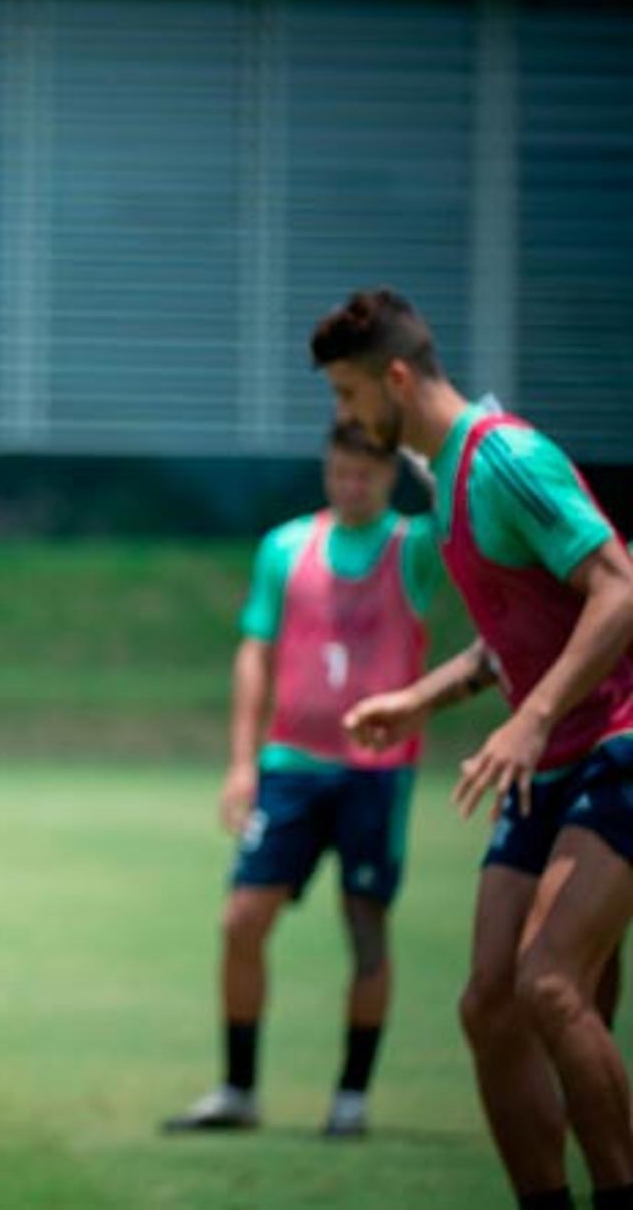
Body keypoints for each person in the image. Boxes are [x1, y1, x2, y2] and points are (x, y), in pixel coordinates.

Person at [318, 288, 633, 1210]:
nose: (345, 418)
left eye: (348, 394)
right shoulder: (446, 477)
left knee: (550, 986)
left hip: (616, 742)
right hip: (554, 756)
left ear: (398, 378)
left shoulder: (505, 459)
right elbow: (526, 632)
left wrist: (529, 721)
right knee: (488, 1006)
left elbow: (617, 590)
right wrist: (422, 699)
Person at [164, 422, 445, 1138]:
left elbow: (466, 525)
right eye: (340, 472)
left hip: (376, 775)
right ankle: (237, 1090)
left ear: (389, 477)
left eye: (367, 475)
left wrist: (424, 456)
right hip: (290, 767)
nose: (351, 486)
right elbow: (254, 653)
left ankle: (350, 1100)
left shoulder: (412, 547)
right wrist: (241, 762)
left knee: (365, 928)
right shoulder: (287, 548)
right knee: (242, 920)